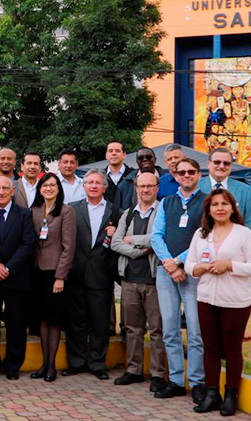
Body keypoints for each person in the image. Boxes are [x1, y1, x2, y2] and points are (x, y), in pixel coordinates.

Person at [186, 189, 251, 416]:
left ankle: (231, 395)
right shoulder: (201, 234)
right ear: (208, 210)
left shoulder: (243, 233)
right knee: (209, 348)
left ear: (232, 208)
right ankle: (212, 393)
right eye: (215, 205)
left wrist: (230, 265)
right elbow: (190, 265)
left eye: (224, 204)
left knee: (231, 349)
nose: (219, 208)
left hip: (235, 301)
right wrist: (199, 268)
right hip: (206, 298)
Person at [150, 157, 207, 402]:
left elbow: (204, 237)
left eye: (190, 172)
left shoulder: (206, 203)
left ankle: (197, 382)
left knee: (195, 330)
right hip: (166, 273)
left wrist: (180, 262)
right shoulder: (166, 202)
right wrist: (170, 265)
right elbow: (156, 236)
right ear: (174, 176)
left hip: (193, 272)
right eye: (181, 172)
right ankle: (175, 380)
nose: (185, 175)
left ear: (198, 175)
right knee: (170, 329)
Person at [111, 172, 167, 393]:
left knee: (156, 330)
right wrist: (137, 252)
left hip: (154, 280)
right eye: (141, 186)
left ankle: (157, 373)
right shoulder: (128, 215)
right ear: (136, 187)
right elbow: (115, 242)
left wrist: (132, 240)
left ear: (156, 187)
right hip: (130, 279)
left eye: (150, 186)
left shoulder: (163, 211)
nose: (145, 190)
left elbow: (158, 238)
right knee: (132, 329)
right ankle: (133, 370)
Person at [0, 176, 36, 381]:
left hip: (17, 278)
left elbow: (28, 244)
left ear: (13, 191)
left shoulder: (24, 214)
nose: (1, 192)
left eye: (5, 188)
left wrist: (9, 267)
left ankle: (13, 366)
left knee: (17, 325)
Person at [65, 169, 118, 380]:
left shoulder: (116, 211)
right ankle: (76, 362)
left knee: (99, 322)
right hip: (76, 272)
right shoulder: (72, 209)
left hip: (101, 274)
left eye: (98, 183)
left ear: (104, 187)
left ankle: (97, 363)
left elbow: (120, 241)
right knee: (75, 322)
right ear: (84, 187)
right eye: (90, 183)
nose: (94, 186)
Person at [27, 173, 76, 382]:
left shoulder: (66, 211)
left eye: (52, 185)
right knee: (41, 320)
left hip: (54, 274)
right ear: (39, 189)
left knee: (54, 320)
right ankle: (44, 364)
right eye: (45, 185)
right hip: (35, 272)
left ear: (59, 189)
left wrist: (60, 277)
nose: (48, 188)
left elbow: (68, 247)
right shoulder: (34, 211)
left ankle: (51, 367)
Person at [199, 148, 251, 238]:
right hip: (203, 242)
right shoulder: (197, 186)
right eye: (217, 162)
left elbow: (250, 223)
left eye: (226, 163)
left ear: (231, 166)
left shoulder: (245, 190)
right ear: (208, 164)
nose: (221, 166)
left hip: (234, 245)